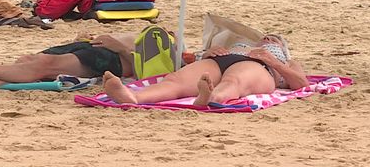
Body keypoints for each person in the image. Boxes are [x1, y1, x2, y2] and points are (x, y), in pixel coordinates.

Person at [103, 34, 308, 106]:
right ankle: (133, 97)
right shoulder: (243, 46)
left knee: (234, 81)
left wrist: (275, 63)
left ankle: (212, 98)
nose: (268, 39)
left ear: (283, 48)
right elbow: (195, 57)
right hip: (222, 59)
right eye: (265, 37)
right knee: (175, 80)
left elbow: (302, 84)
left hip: (260, 68)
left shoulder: (286, 61)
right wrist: (208, 53)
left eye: (275, 40)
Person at [0, 32, 137, 89]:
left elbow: (147, 71)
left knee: (46, 65)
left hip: (114, 59)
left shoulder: (164, 46)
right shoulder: (160, 34)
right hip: (93, 45)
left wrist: (120, 47)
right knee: (29, 59)